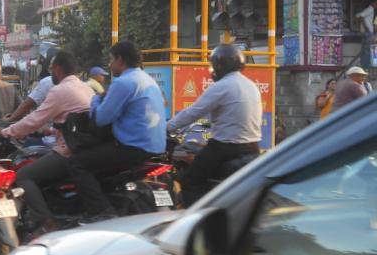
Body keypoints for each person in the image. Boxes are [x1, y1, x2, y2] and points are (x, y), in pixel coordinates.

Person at [0, 50, 94, 231]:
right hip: (83, 147)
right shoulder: (86, 88)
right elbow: (73, 122)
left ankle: (46, 222)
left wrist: (6, 132)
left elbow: (34, 118)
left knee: (22, 175)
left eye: (51, 68)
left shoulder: (60, 90)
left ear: (58, 69)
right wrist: (49, 131)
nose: (50, 72)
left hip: (68, 151)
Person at [70, 42, 166, 221]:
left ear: (120, 60)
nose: (109, 65)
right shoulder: (147, 79)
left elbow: (101, 119)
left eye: (111, 60)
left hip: (133, 148)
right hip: (157, 147)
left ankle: (102, 211)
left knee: (77, 163)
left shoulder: (124, 82)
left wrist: (95, 100)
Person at [167, 44, 262, 207]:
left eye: (213, 65)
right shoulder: (250, 85)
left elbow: (193, 113)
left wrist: (166, 127)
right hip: (253, 147)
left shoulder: (222, 86)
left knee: (190, 181)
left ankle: (196, 218)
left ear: (220, 65)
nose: (212, 70)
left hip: (225, 148)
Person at [6, 47, 59, 123]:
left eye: (51, 66)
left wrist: (9, 120)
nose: (49, 67)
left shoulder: (47, 82)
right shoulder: (76, 82)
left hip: (49, 126)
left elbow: (26, 105)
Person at [355, 0, 377, 68]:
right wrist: (366, 28)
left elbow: (357, 16)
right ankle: (366, 66)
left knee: (364, 50)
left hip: (366, 32)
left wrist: (360, 27)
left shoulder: (368, 9)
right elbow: (360, 17)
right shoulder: (370, 9)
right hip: (368, 32)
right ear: (373, 3)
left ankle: (363, 65)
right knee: (367, 50)